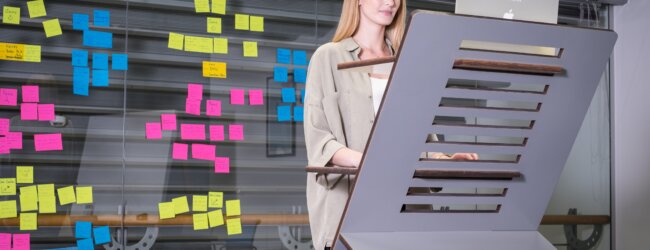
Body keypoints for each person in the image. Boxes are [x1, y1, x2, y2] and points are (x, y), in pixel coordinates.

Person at [303, 0, 478, 249]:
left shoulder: (408, 61)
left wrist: (445, 161)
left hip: (408, 211)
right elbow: (320, 140)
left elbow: (422, 140)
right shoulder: (328, 57)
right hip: (351, 209)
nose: (391, 2)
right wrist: (372, 162)